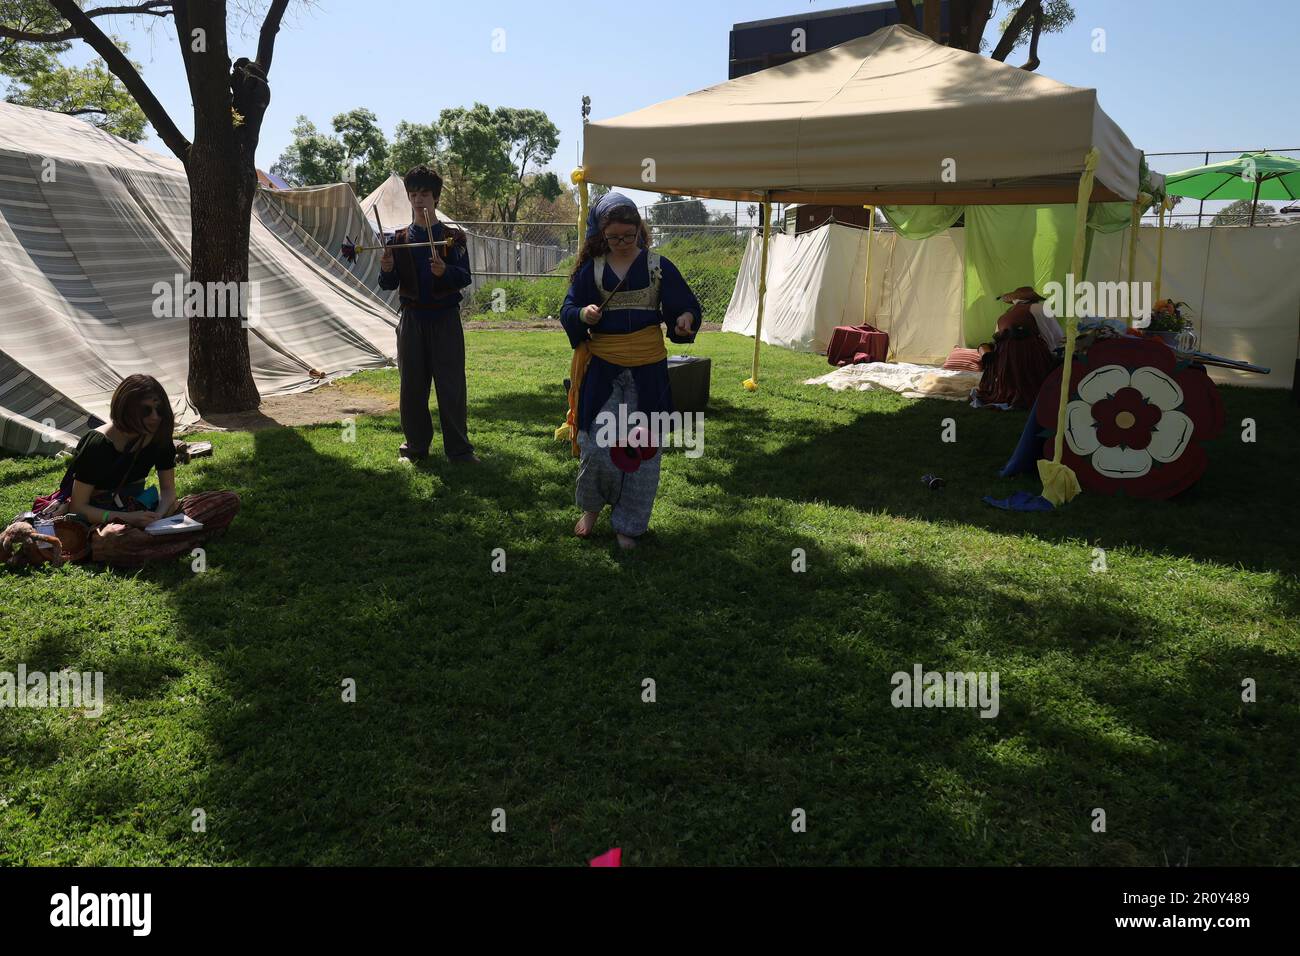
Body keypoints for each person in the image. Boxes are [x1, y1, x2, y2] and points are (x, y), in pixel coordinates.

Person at [558, 193, 702, 549]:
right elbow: (569, 308)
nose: (622, 243)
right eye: (614, 238)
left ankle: (629, 525)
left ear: (640, 230)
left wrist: (684, 319)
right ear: (600, 235)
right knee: (596, 444)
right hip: (604, 372)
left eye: (629, 235)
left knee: (643, 450)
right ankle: (591, 508)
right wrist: (582, 315)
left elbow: (684, 305)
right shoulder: (591, 268)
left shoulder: (658, 266)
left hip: (648, 373)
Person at [53, 374, 239, 566]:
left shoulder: (159, 437)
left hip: (143, 511)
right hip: (104, 517)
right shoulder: (98, 444)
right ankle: (181, 540)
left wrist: (158, 517)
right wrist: (129, 518)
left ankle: (162, 542)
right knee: (113, 539)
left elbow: (168, 490)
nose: (155, 417)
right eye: (146, 411)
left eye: (159, 410)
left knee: (228, 501)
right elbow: (79, 507)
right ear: (126, 409)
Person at [378, 164, 478, 464]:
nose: (419, 199)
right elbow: (389, 284)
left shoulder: (453, 238)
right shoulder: (398, 239)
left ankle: (459, 451)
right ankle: (415, 448)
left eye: (425, 194)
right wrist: (386, 270)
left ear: (435, 198)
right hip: (411, 319)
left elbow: (465, 277)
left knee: (451, 387)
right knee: (412, 387)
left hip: (445, 319)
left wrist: (445, 271)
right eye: (414, 194)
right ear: (409, 197)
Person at [974, 286, 1057, 409]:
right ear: (1033, 298)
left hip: (1004, 363)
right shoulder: (1039, 308)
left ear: (1014, 300)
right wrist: (1054, 353)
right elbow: (1052, 335)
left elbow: (997, 340)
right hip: (1029, 356)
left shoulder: (1003, 317)